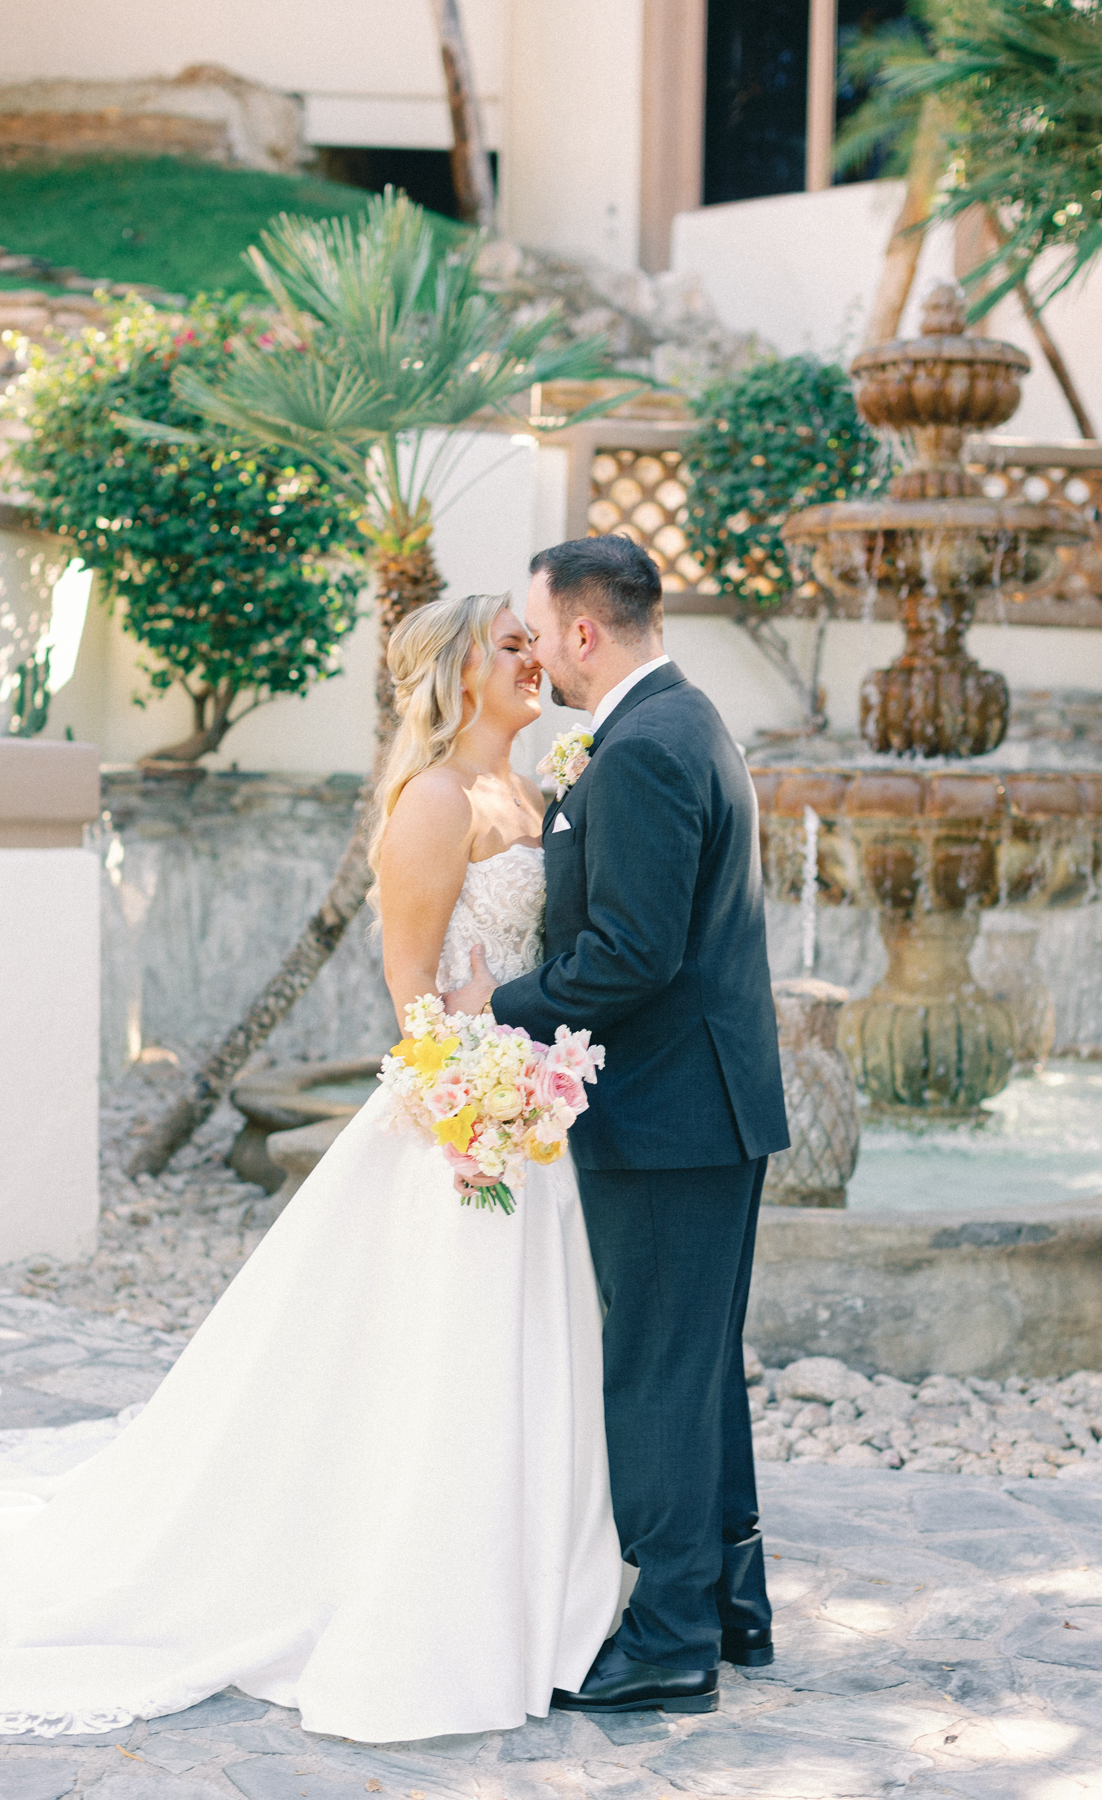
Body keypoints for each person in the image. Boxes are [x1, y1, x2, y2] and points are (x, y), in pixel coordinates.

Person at [0, 592, 622, 1744]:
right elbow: (410, 999)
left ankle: (537, 1583)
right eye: (512, 645)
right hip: (465, 1125)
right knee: (439, 1357)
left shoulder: (530, 794)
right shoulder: (433, 803)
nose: (536, 658)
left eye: (534, 642)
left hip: (531, 1123)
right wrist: (474, 1108)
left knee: (518, 1351)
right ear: (454, 673)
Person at [446, 535, 789, 1717]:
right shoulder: (681, 719)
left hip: (669, 1112)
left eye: (539, 632)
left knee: (651, 1367)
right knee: (693, 1367)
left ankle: (670, 1636)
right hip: (705, 1104)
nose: (534, 654)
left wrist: (498, 1004)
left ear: (584, 634)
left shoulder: (642, 750)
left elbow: (630, 957)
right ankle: (733, 1603)